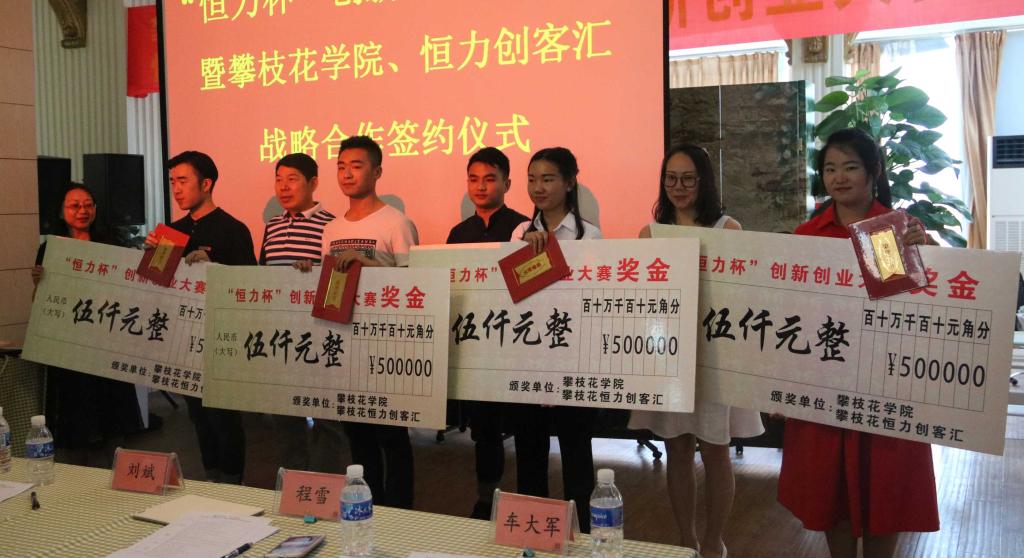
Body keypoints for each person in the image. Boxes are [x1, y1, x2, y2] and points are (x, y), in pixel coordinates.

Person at [778, 128, 938, 558]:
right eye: (830, 168)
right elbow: (793, 313)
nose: (839, 177)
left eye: (850, 167)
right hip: (825, 381)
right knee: (831, 493)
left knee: (885, 486)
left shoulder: (893, 231)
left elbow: (906, 310)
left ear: (874, 172)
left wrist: (927, 254)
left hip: (884, 384)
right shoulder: (809, 235)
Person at [627, 145, 763, 558]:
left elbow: (742, 297)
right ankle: (686, 540)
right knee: (677, 448)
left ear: (704, 182)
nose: (678, 186)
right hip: (669, 354)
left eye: (688, 178)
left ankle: (714, 541)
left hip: (716, 356)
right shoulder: (651, 233)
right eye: (671, 178)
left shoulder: (729, 229)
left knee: (716, 449)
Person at [304, 135, 418, 508]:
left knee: (392, 436)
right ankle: (369, 507)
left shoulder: (396, 222)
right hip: (345, 344)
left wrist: (369, 265)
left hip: (386, 346)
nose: (347, 174)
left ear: (377, 171)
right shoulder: (332, 228)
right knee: (358, 436)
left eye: (356, 166)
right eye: (341, 166)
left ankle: (400, 513)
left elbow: (414, 288)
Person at [145, 150, 256, 484]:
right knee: (198, 417)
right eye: (172, 182)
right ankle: (211, 480)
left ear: (206, 184)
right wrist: (150, 259)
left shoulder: (233, 229)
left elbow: (250, 287)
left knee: (224, 418)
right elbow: (155, 290)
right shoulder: (171, 232)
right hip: (184, 340)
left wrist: (214, 266)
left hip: (222, 340)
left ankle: (233, 485)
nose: (176, 189)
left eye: (183, 181)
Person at [508, 147, 601, 532]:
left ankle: (584, 537)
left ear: (570, 182)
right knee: (529, 453)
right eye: (532, 179)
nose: (538, 187)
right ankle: (534, 535)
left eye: (547, 179)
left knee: (577, 454)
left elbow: (591, 295)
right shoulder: (519, 233)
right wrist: (527, 251)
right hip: (529, 357)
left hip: (572, 359)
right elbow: (512, 295)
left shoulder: (589, 235)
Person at [31, 183, 144, 468]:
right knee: (75, 417)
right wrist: (38, 284)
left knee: (113, 419)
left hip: (106, 343)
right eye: (74, 205)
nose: (82, 211)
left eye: (88, 204)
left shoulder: (111, 245)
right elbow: (40, 303)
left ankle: (116, 472)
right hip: (69, 349)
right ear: (61, 212)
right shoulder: (50, 249)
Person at [446, 147, 529, 519]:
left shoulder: (524, 228)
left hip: (517, 343)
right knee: (484, 428)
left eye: (490, 179)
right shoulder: (458, 232)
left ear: (507, 184)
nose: (480, 186)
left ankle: (527, 500)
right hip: (476, 345)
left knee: (526, 428)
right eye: (473, 179)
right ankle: (486, 498)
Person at [258, 153, 341, 473]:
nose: (283, 187)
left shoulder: (332, 225)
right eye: (278, 180)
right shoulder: (272, 226)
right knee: (285, 417)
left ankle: (326, 482)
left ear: (313, 182)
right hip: (281, 335)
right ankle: (296, 483)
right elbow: (263, 275)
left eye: (292, 179)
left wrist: (315, 272)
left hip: (319, 335)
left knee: (326, 419)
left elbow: (338, 282)